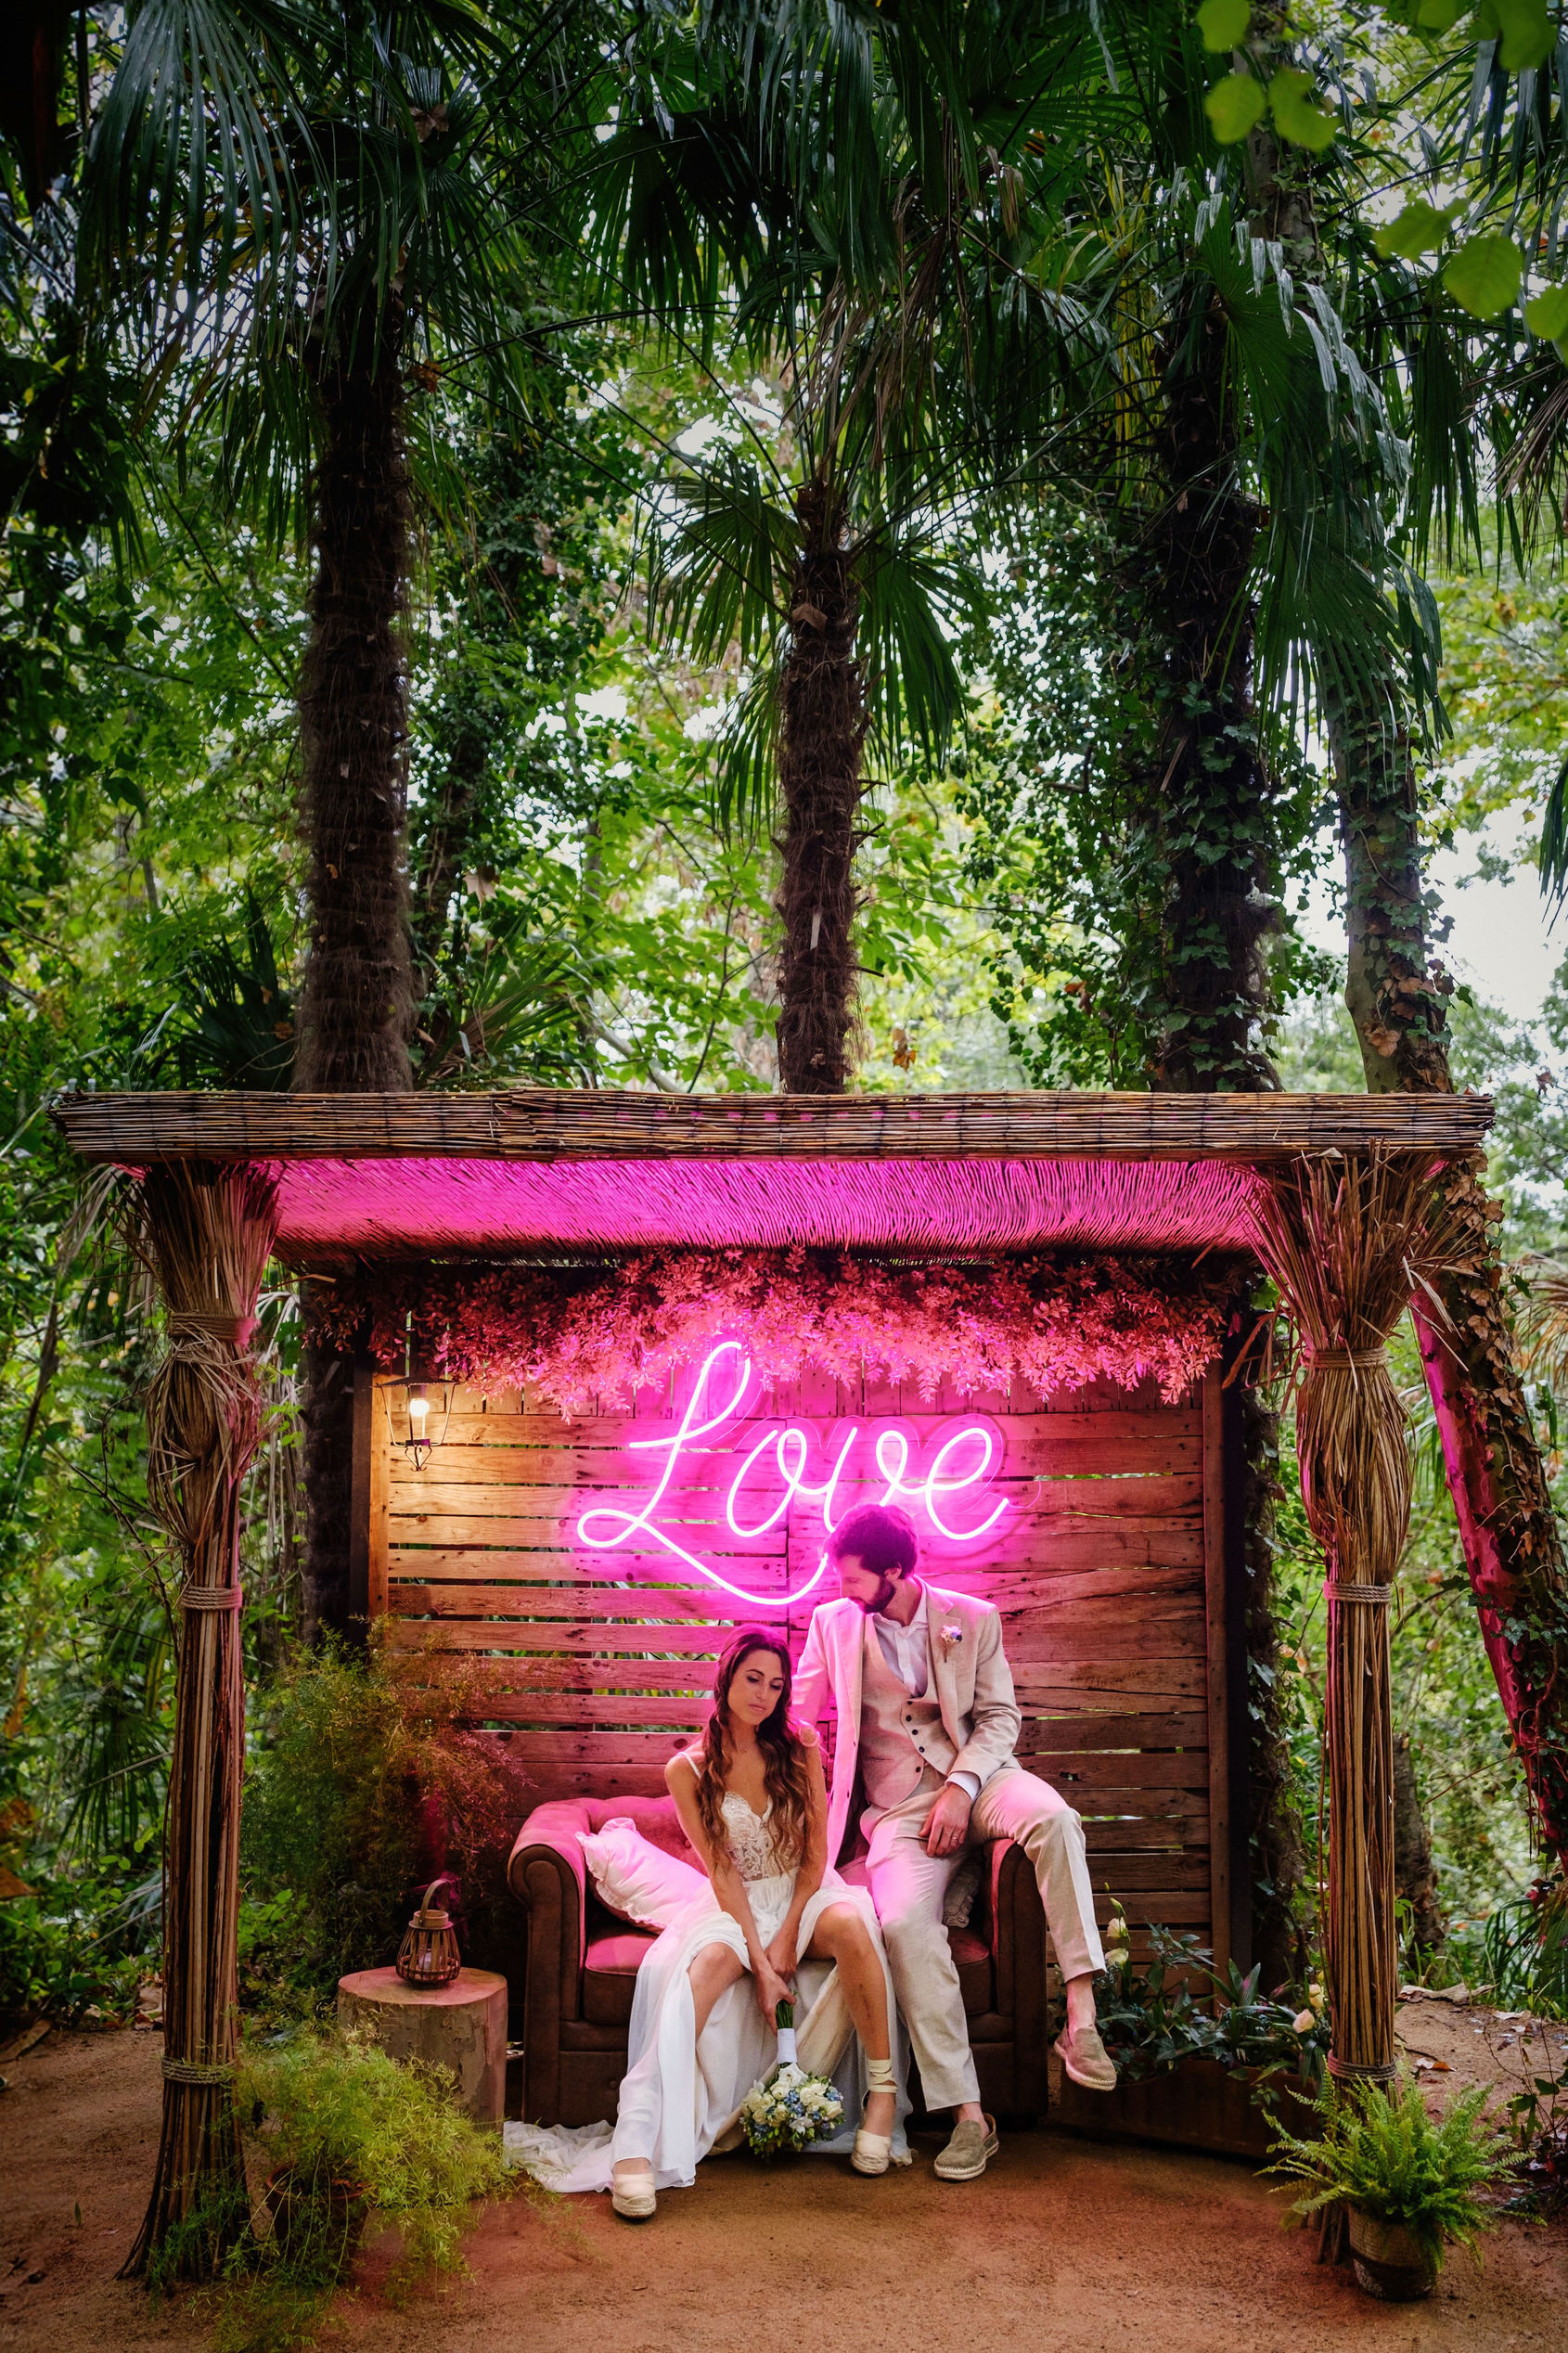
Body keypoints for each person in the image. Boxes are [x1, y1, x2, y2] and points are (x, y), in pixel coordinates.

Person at [507, 1627, 907, 2219]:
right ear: (725, 1678)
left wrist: (789, 1933)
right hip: (734, 1901)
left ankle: (882, 2094)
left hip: (804, 1891)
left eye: (776, 1684)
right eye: (753, 1679)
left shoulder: (798, 1746)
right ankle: (635, 2140)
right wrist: (760, 1959)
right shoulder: (687, 1769)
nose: (764, 1695)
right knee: (714, 1962)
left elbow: (816, 1855)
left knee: (852, 1924)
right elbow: (721, 1873)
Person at [793, 1500, 1118, 2183]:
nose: (841, 1591)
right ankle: (970, 2115)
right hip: (898, 1810)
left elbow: (1001, 1717)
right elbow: (797, 1717)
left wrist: (962, 1786)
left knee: (1057, 1819)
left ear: (896, 1569)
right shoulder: (832, 1624)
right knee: (906, 1926)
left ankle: (1082, 2013)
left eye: (854, 1579)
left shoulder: (975, 1619)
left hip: (980, 1780)